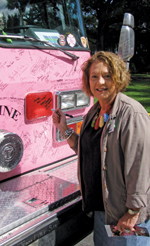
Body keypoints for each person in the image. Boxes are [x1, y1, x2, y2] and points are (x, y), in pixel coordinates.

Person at [52, 51, 150, 245]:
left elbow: (141, 167)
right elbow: (87, 152)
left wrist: (132, 212)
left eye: (107, 76)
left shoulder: (131, 113)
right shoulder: (95, 111)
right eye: (94, 77)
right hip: (102, 211)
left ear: (118, 77)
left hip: (124, 216)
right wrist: (63, 128)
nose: (100, 82)